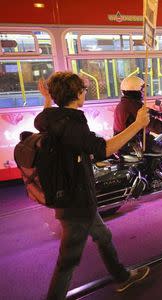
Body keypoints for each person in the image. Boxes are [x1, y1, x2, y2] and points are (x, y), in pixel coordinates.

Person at [36, 72, 150, 299]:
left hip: (74, 194)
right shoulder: (72, 124)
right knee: (68, 261)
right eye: (84, 90)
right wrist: (137, 124)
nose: (85, 93)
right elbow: (103, 149)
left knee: (103, 236)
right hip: (75, 200)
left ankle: (122, 277)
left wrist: (48, 98)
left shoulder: (51, 118)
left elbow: (46, 113)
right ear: (77, 94)